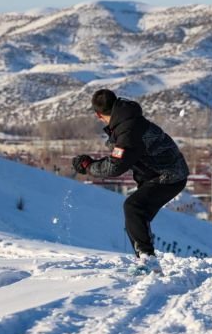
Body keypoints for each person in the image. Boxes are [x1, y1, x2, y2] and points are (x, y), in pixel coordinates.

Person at [72, 89, 189, 274]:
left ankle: (149, 261)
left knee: (133, 208)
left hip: (169, 176)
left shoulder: (128, 131)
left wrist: (89, 167)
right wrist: (93, 164)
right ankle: (146, 259)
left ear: (98, 115)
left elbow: (116, 165)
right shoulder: (127, 122)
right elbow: (120, 157)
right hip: (161, 175)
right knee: (135, 218)